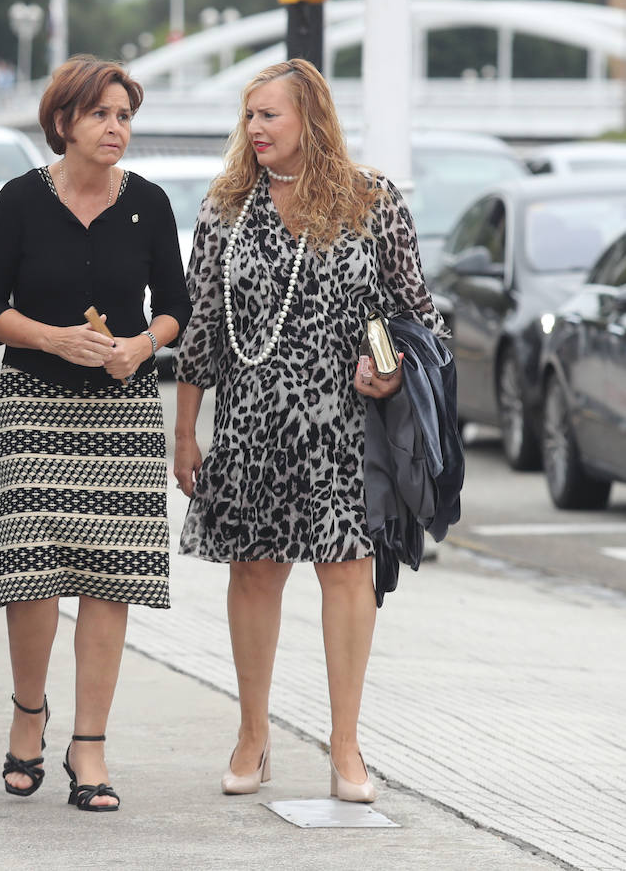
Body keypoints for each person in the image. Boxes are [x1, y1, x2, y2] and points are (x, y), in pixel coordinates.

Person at [171, 58, 446, 804]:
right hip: (254, 421)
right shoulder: (224, 207)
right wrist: (185, 430)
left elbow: (411, 310)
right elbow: (200, 333)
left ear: (310, 118)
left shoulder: (370, 200)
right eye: (249, 116)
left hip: (343, 424)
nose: (255, 128)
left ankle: (346, 746)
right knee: (255, 571)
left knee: (348, 571)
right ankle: (253, 737)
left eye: (270, 115)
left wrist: (384, 367)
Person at [0, 55, 189, 813]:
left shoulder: (150, 203)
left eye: (124, 116)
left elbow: (176, 307)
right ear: (64, 122)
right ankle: (29, 714)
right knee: (32, 570)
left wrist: (141, 345)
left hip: (123, 413)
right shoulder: (20, 201)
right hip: (34, 404)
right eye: (101, 114)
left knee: (109, 575)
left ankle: (89, 743)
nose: (116, 128)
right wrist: (53, 338)